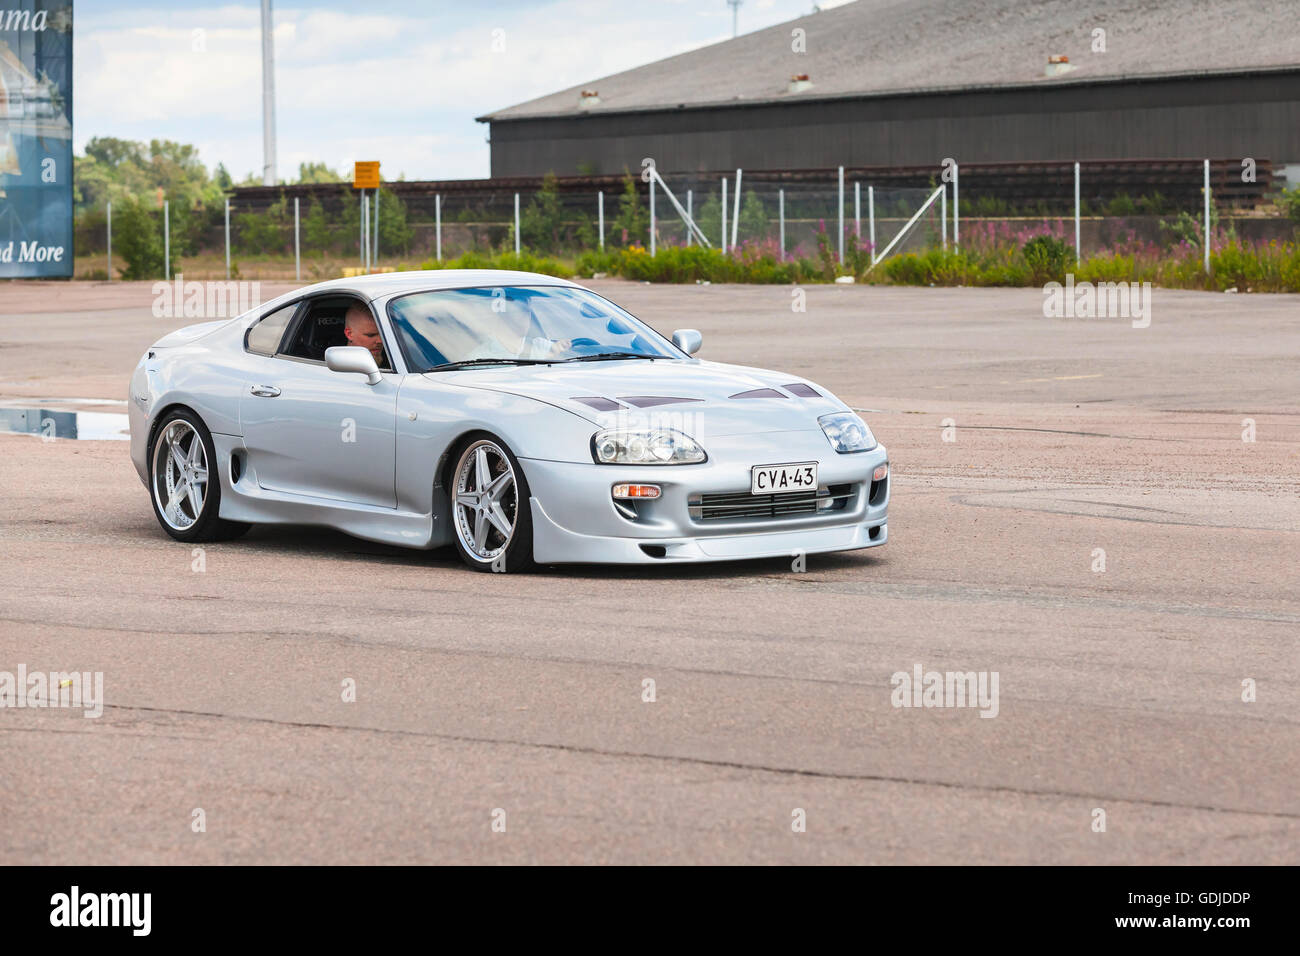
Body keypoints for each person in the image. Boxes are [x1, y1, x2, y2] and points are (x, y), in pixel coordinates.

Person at [342, 303, 390, 369]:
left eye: (383, 334)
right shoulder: (333, 371)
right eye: (371, 335)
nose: (380, 341)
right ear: (349, 334)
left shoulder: (398, 359)